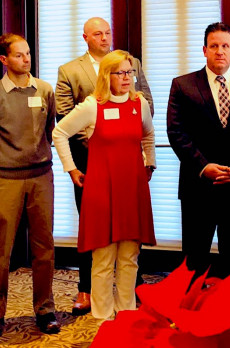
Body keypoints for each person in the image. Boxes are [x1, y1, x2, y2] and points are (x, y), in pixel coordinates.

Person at [56, 17, 153, 316]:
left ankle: (126, 316)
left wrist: (150, 161)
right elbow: (59, 133)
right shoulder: (91, 105)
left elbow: (148, 134)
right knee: (102, 258)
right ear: (106, 75)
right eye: (119, 72)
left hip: (131, 186)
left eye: (129, 72)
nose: (126, 77)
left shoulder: (140, 103)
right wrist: (72, 169)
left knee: (129, 258)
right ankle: (101, 319)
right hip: (100, 187)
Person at [0, 33, 60, 336]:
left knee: (44, 247)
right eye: (19, 55)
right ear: (4, 60)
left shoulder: (45, 90)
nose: (26, 59)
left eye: (28, 53)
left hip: (41, 178)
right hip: (4, 179)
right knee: (1, 251)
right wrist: (0, 165)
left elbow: (50, 130)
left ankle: (45, 310)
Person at [167, 22, 230, 279]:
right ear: (204, 50)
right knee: (194, 262)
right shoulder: (183, 85)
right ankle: (189, 313)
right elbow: (176, 132)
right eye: (214, 46)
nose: (220, 51)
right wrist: (204, 167)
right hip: (199, 186)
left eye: (225, 46)